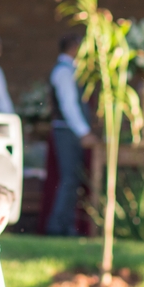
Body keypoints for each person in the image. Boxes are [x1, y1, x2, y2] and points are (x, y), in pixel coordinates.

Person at [46, 34, 95, 237]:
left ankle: (66, 225)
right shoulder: (64, 72)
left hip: (69, 130)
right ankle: (57, 226)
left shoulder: (71, 70)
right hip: (67, 131)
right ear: (74, 48)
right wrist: (84, 132)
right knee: (69, 179)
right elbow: (69, 105)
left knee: (73, 179)